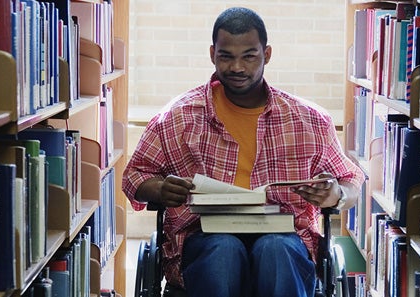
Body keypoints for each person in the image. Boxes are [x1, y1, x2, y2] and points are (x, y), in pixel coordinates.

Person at [122, 6, 365, 297]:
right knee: (223, 249)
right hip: (205, 237)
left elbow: (351, 181)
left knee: (275, 249)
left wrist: (336, 193)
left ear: (267, 54)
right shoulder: (176, 117)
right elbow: (133, 176)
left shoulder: (309, 120)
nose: (237, 67)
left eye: (249, 56)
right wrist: (159, 189)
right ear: (213, 54)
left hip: (285, 239)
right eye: (226, 56)